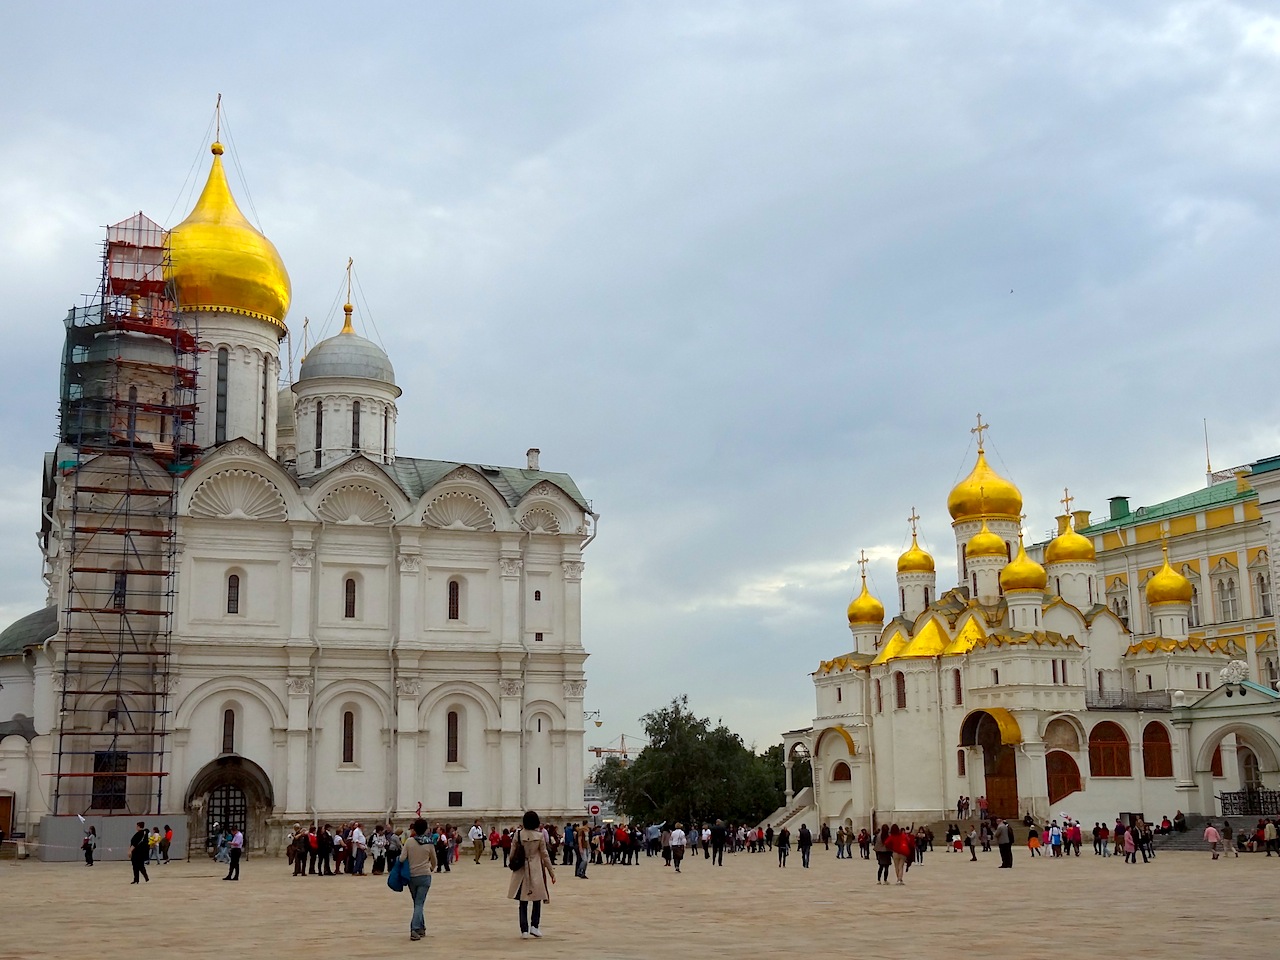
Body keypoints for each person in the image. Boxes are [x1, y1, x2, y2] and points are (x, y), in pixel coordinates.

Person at [508, 811, 556, 939]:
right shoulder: (539, 836)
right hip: (536, 869)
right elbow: (545, 855)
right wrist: (551, 872)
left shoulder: (518, 834)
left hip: (521, 870)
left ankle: (524, 929)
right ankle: (535, 926)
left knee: (522, 901)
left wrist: (513, 863)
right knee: (537, 899)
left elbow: (512, 853)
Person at [402, 818, 438, 941]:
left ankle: (421, 928)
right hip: (424, 875)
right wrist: (431, 867)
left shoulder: (409, 842)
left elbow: (402, 858)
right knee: (419, 903)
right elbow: (434, 860)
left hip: (411, 876)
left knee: (417, 903)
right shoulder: (429, 842)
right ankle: (414, 928)